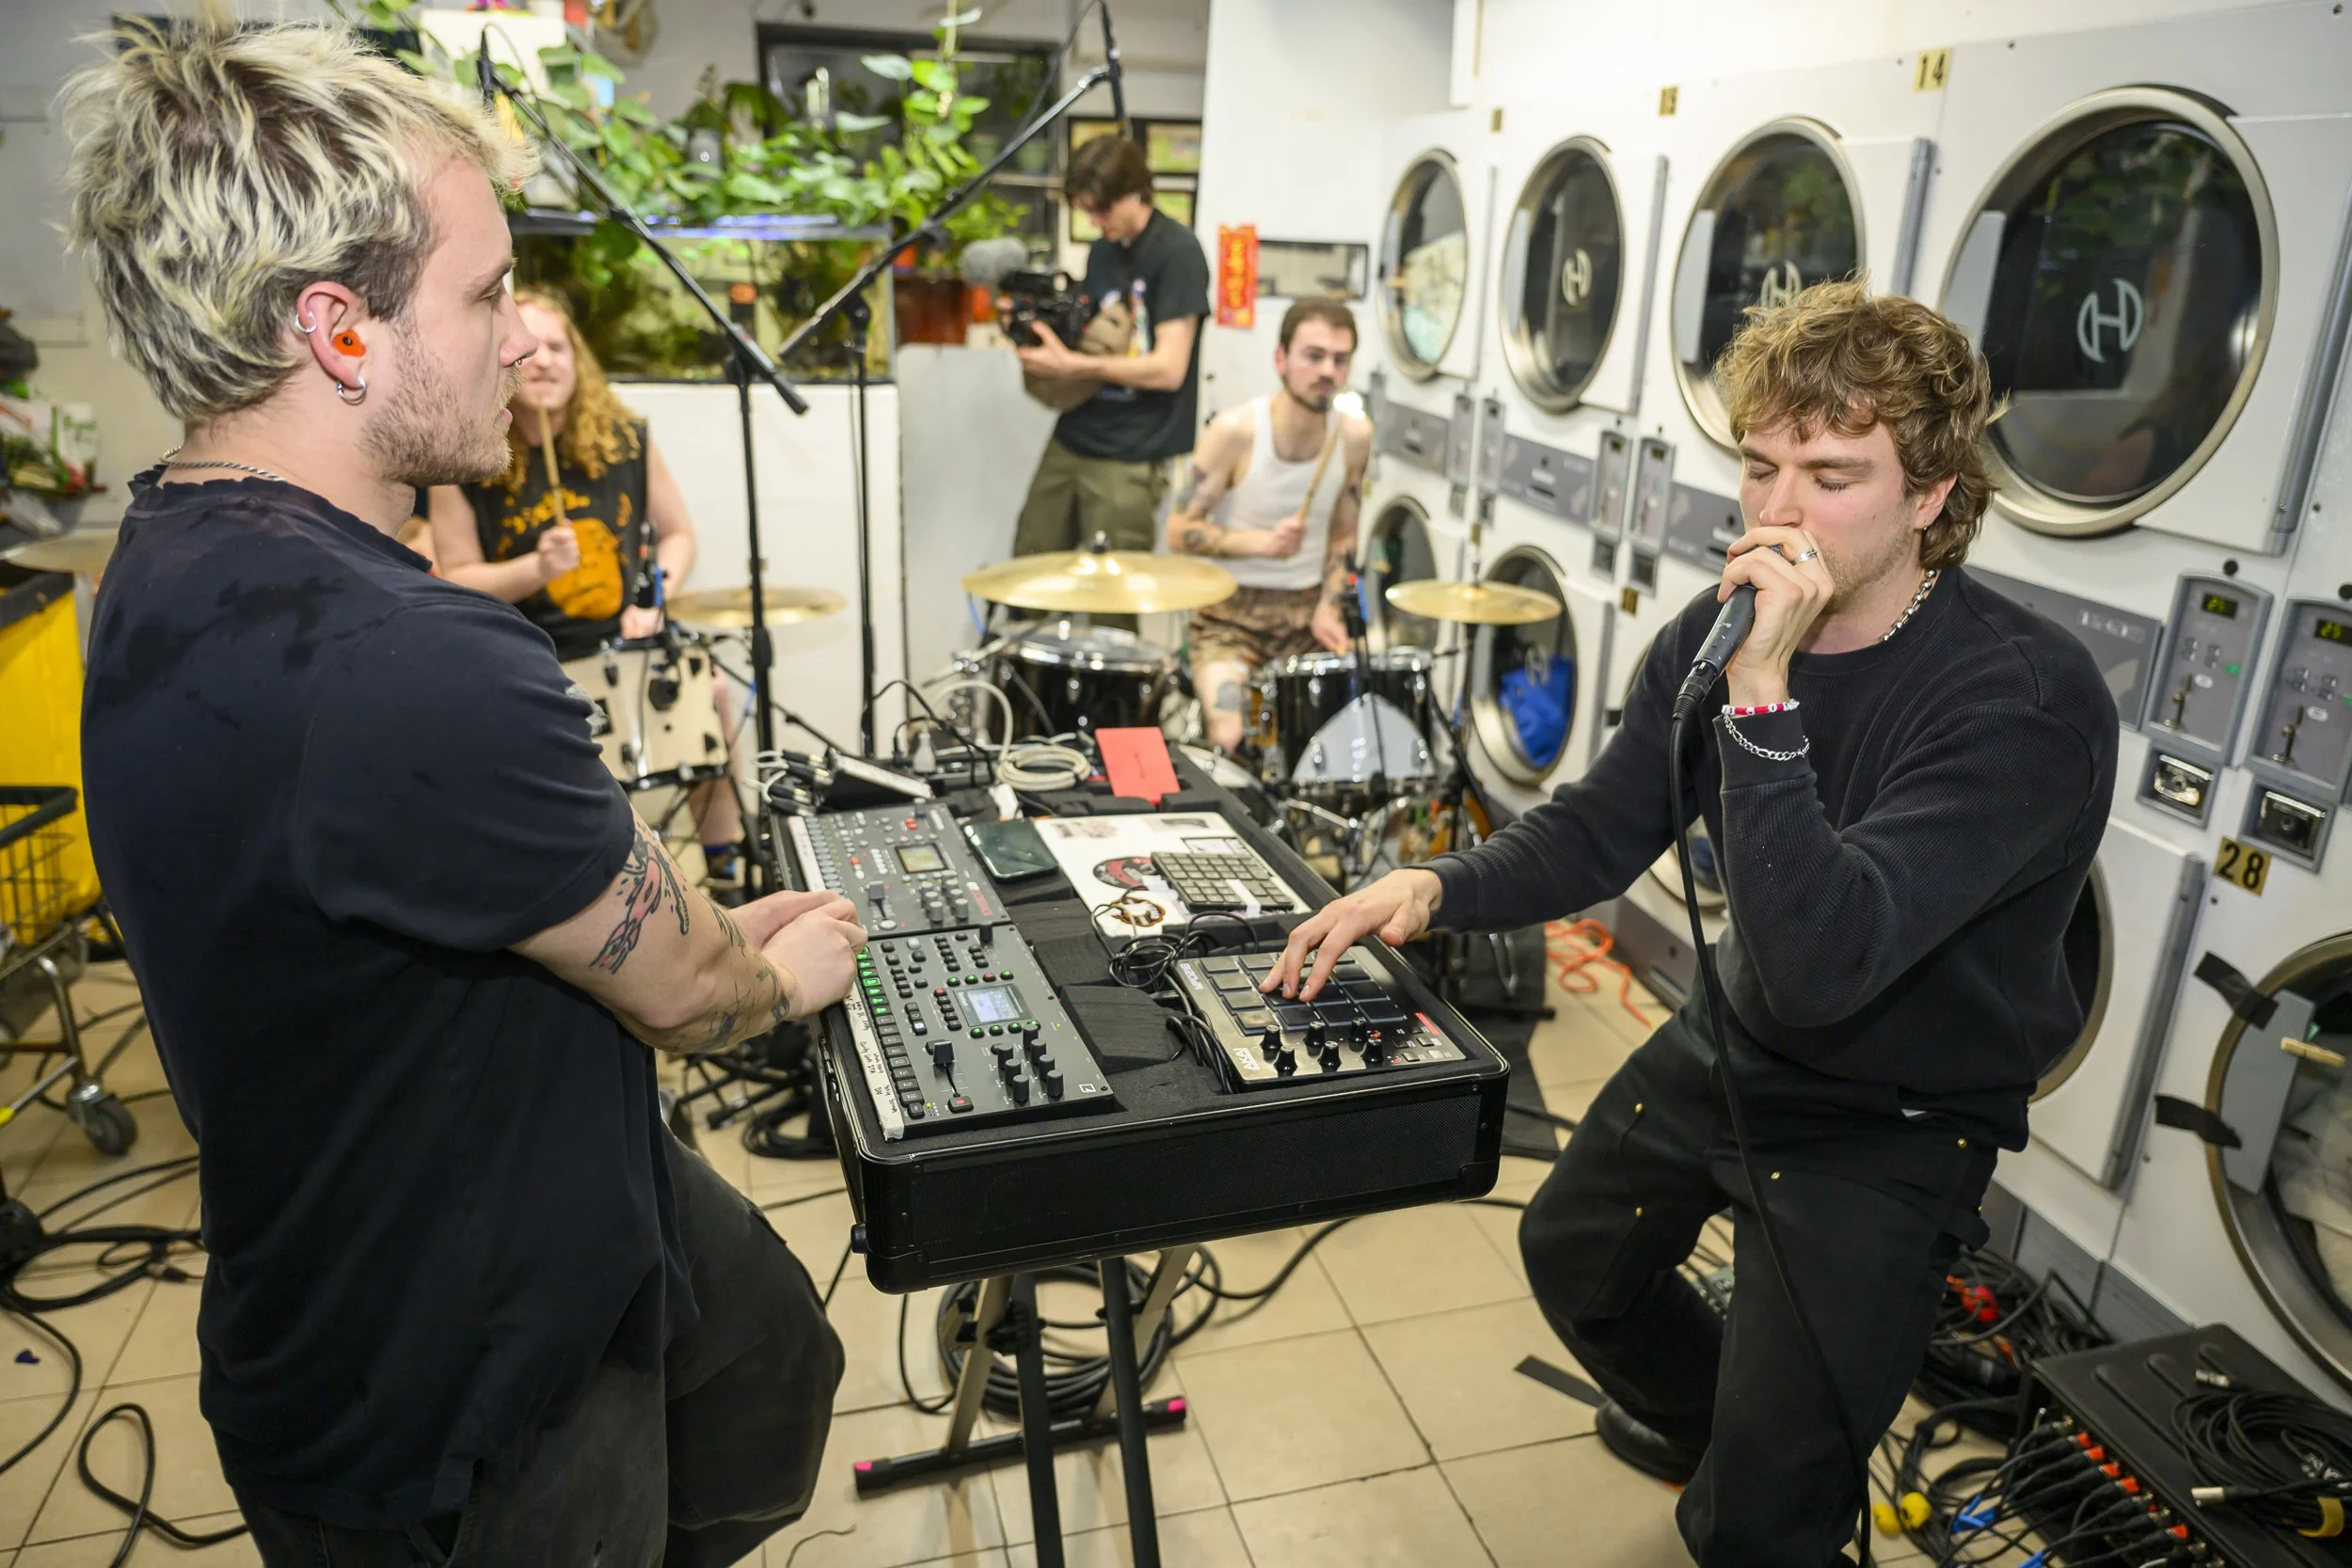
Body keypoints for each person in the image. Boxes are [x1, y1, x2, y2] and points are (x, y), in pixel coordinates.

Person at [63, 22, 857, 1567]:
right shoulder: (418, 657)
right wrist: (778, 974)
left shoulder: (163, 553)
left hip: (396, 1250)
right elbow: (691, 993)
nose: (519, 334)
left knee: (774, 1352)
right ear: (341, 332)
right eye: (488, 293)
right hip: (465, 1387)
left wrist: (689, 930)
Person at [1263, 279, 2120, 1566]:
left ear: (1933, 496)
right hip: (1738, 1034)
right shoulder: (1709, 637)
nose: (1779, 510)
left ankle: (1763, 1493)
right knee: (1574, 1256)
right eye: (1763, 465)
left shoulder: (2024, 699)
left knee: (1762, 1529)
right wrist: (1435, 886)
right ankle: (1721, 1429)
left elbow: (1832, 958)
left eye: (1832, 474)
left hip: (1892, 1113)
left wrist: (1764, 694)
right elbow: (1609, 822)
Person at [429, 288, 744, 877]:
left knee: (715, 693)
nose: (545, 360)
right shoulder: (463, 459)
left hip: (626, 638)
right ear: (500, 359)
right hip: (527, 654)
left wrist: (654, 600)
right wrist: (536, 569)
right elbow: (461, 581)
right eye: (530, 349)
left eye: (559, 346)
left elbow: (678, 537)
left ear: (579, 359)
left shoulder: (625, 438)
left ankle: (726, 864)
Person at [1009, 134, 1210, 630]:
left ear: (1134, 192)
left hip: (1133, 451)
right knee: (1028, 575)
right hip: (1076, 433)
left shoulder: (1177, 253)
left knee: (1112, 610)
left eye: (1101, 210)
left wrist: (1074, 367)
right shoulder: (1102, 253)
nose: (1095, 223)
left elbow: (1168, 368)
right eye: (1087, 213)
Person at [1163, 298, 1371, 752]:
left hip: (1307, 618)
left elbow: (1344, 534)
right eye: (1313, 356)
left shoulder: (1354, 436)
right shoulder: (1236, 432)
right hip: (1228, 622)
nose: (1327, 371)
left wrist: (1329, 607)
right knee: (1234, 734)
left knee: (1347, 736)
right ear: (1281, 359)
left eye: (1340, 359)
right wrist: (1258, 543)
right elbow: (1178, 530)